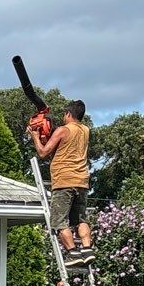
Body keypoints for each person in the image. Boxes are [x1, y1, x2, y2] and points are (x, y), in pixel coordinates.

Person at [35, 99, 93, 262]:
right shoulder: (85, 130)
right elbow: (66, 145)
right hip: (81, 181)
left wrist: (34, 135)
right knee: (80, 219)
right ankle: (87, 250)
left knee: (59, 221)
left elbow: (43, 152)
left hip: (64, 181)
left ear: (68, 113)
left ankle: (72, 253)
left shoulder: (63, 130)